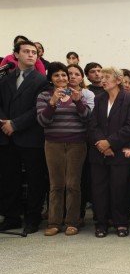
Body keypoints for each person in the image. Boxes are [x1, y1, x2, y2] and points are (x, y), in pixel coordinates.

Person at [0, 40, 49, 234]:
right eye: (26, 52)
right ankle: (11, 217)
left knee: (35, 179)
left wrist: (15, 124)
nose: (31, 55)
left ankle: (33, 218)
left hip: (30, 137)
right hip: (6, 136)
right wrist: (5, 121)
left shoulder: (41, 80)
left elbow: (38, 108)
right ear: (16, 55)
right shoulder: (5, 79)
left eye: (34, 52)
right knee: (8, 179)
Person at [36, 62, 90, 236]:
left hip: (77, 144)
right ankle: (54, 222)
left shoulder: (77, 94)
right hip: (53, 145)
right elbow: (42, 122)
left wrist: (79, 102)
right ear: (50, 79)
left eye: (64, 75)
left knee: (73, 184)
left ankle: (72, 222)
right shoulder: (44, 96)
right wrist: (52, 102)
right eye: (56, 75)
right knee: (56, 185)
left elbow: (88, 118)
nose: (61, 78)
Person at [88, 67, 130, 238]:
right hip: (99, 152)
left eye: (107, 77)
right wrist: (102, 144)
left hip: (119, 152)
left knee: (119, 189)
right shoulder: (99, 98)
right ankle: (101, 224)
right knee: (99, 190)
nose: (102, 80)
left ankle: (121, 223)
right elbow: (93, 125)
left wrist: (110, 142)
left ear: (118, 80)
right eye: (101, 77)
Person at [68, 63, 95, 227]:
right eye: (68, 73)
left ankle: (78, 215)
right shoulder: (55, 93)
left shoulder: (87, 94)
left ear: (82, 77)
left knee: (79, 180)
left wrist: (78, 101)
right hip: (58, 141)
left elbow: (88, 116)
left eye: (76, 74)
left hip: (81, 141)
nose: (72, 77)